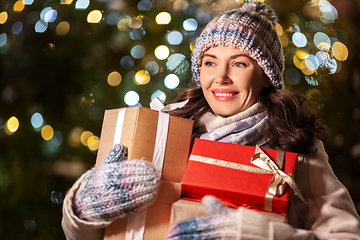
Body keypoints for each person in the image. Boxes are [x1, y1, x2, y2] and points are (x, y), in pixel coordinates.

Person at [61, 1, 360, 239]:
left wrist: (261, 233)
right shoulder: (163, 132)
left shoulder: (297, 145)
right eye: (210, 63)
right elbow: (89, 234)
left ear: (266, 76)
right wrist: (83, 208)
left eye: (239, 63)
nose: (221, 77)